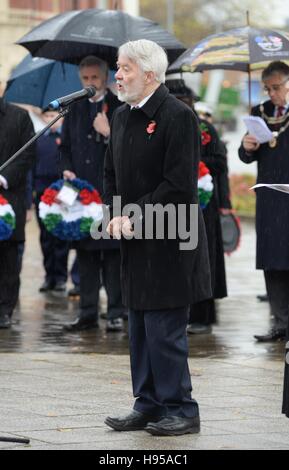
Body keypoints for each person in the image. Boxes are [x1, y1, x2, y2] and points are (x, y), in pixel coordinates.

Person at [103, 40, 211, 436]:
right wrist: (112, 214)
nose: (118, 75)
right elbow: (109, 173)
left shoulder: (177, 116)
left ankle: (181, 407)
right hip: (133, 238)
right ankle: (147, 403)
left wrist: (133, 215)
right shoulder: (119, 116)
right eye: (118, 67)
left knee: (165, 329)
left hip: (171, 236)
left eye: (125, 68)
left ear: (149, 74)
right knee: (139, 329)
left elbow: (180, 183)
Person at [60, 55, 125, 332]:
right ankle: (87, 312)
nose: (90, 83)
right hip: (82, 195)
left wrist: (109, 132)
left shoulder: (120, 108)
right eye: (85, 79)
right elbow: (65, 148)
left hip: (110, 194)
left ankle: (115, 313)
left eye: (94, 78)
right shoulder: (73, 109)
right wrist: (67, 170)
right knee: (85, 257)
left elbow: (129, 151)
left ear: (105, 78)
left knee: (111, 258)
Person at [166, 79, 228, 335]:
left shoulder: (205, 129)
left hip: (203, 205)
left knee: (204, 259)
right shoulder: (164, 126)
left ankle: (203, 315)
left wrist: (197, 162)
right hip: (174, 205)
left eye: (186, 101)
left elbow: (220, 163)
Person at [239, 61, 289, 342]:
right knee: (272, 261)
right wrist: (246, 148)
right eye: (267, 88)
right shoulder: (259, 113)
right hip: (270, 197)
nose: (272, 94)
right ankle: (280, 322)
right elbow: (246, 156)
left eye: (277, 87)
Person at [0, 97, 35, 328]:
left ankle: (4, 310)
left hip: (10, 197)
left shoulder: (19, 117)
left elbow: (29, 154)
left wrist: (4, 177)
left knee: (8, 260)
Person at [34, 109, 69, 293]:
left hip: (62, 194)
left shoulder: (65, 138)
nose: (51, 119)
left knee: (60, 235)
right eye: (47, 116)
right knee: (46, 236)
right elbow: (31, 165)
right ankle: (49, 276)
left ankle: (61, 276)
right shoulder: (38, 138)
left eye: (54, 116)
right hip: (42, 192)